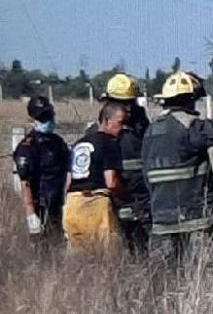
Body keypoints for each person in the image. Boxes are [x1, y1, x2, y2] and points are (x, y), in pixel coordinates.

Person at [141, 70, 213, 267]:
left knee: (165, 278)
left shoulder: (151, 131)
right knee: (203, 273)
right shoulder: (188, 126)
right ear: (190, 100)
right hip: (196, 218)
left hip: (161, 220)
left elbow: (146, 175)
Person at [85, 73, 152, 258]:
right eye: (124, 103)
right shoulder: (95, 134)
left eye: (132, 102)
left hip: (142, 205)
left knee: (142, 253)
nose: (129, 108)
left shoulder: (144, 129)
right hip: (110, 203)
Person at [63, 102, 127, 255]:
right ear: (106, 121)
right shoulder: (109, 143)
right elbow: (111, 182)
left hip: (73, 205)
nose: (123, 128)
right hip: (96, 204)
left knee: (79, 259)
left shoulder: (78, 144)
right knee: (110, 255)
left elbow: (68, 182)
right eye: (120, 122)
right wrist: (125, 196)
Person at [12, 96, 70, 249]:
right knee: (42, 250)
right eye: (43, 117)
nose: (48, 120)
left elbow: (68, 170)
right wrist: (31, 214)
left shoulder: (58, 142)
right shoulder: (28, 147)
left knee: (60, 247)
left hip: (59, 203)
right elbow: (25, 183)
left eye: (49, 115)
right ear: (34, 119)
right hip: (41, 206)